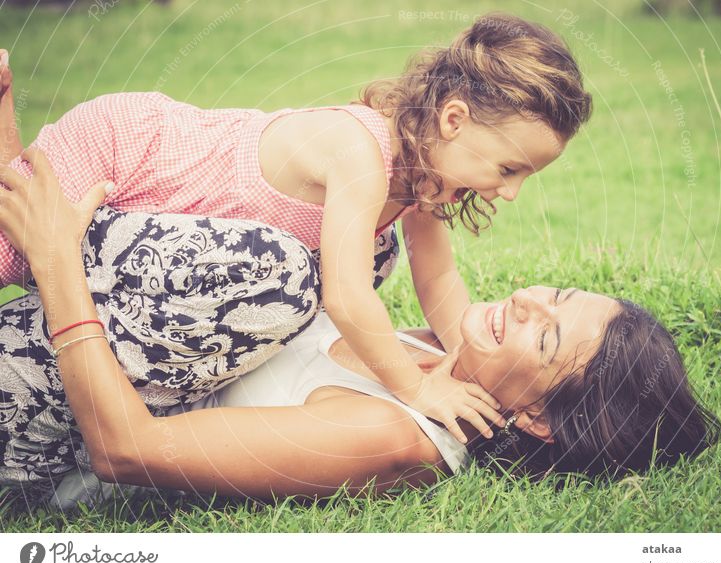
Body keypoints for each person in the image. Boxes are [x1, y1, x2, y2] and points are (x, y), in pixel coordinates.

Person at [0, 151, 720, 510]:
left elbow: (127, 451)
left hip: (41, 435)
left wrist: (59, 262)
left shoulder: (396, 438)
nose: (529, 301)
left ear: (535, 418)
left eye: (548, 338)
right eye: (557, 294)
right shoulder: (438, 357)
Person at [0, 12, 593, 443]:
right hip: (132, 155)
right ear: (455, 119)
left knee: (30, 254)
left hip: (184, 235)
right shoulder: (359, 152)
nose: (510, 191)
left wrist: (470, 364)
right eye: (509, 168)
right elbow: (346, 294)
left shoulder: (424, 182)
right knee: (15, 246)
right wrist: (417, 389)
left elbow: (438, 280)